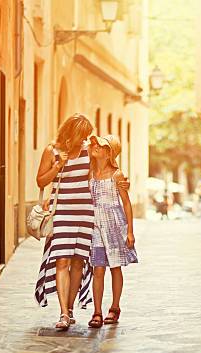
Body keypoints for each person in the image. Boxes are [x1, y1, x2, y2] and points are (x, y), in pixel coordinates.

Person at [34, 113, 128, 330]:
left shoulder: (88, 149)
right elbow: (40, 180)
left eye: (86, 135)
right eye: (82, 135)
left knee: (78, 263)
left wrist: (123, 180)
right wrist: (58, 166)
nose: (85, 139)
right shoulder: (53, 150)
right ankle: (63, 313)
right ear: (71, 132)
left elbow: (107, 165)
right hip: (63, 214)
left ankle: (70, 309)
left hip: (87, 213)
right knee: (62, 260)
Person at [87, 134, 138, 328]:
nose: (95, 147)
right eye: (95, 145)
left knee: (115, 267)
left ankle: (115, 307)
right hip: (96, 226)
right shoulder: (90, 172)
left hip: (115, 225)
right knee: (97, 268)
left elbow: (126, 203)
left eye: (100, 146)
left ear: (109, 153)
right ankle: (97, 311)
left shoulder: (117, 175)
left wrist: (130, 231)